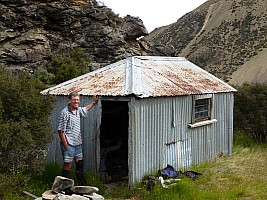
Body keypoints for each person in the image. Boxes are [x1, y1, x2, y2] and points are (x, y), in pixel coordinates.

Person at [58, 92, 98, 185]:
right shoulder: (65, 113)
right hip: (69, 143)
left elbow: (85, 109)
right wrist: (65, 145)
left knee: (79, 163)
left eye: (77, 100)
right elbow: (60, 130)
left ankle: (82, 185)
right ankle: (65, 187)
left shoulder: (78, 110)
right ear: (70, 101)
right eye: (74, 100)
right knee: (68, 165)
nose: (76, 101)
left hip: (77, 143)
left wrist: (94, 103)